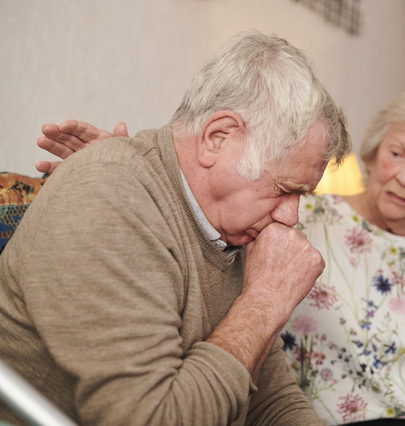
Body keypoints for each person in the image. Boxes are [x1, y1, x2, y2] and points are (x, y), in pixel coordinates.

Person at [34, 89, 405, 426]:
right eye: (398, 154)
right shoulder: (301, 217)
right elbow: (214, 190)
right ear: (375, 154)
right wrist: (125, 165)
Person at [0, 30, 350, 425]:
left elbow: (271, 400)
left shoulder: (225, 229)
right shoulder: (109, 192)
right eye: (285, 189)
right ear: (217, 138)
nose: (291, 217)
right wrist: (264, 302)